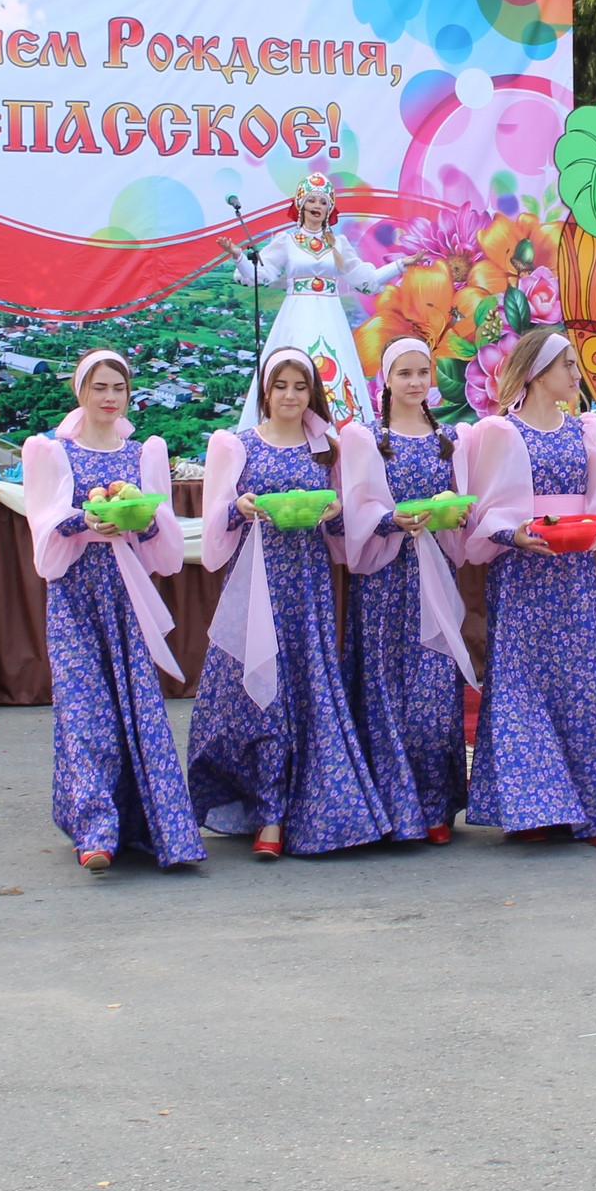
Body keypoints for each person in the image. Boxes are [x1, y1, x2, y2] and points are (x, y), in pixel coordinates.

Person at [189, 348, 391, 857]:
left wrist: (333, 511)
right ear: (265, 391)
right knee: (247, 694)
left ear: (312, 394)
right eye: (280, 386)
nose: (290, 396)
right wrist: (238, 508)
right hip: (254, 583)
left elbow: (347, 525)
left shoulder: (327, 449)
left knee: (302, 692)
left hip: (307, 587)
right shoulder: (236, 445)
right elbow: (214, 527)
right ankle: (257, 801)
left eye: (300, 387)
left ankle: (280, 816)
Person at [18, 351, 205, 872]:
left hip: (127, 597)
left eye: (117, 388)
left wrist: (137, 521)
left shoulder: (142, 453)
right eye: (98, 387)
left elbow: (161, 537)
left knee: (136, 706)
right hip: (77, 597)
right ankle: (95, 828)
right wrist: (85, 521)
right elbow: (45, 527)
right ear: (81, 392)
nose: (108, 397)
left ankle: (148, 823)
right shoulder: (55, 453)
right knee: (85, 712)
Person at [454, 326, 596, 841]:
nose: (576, 376)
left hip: (573, 574)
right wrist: (514, 535)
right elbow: (484, 514)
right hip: (521, 575)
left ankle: (584, 798)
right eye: (569, 367)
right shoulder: (502, 433)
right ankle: (535, 806)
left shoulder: (584, 429)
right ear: (538, 373)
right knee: (522, 682)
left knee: (579, 682)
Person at [336, 337, 472, 844]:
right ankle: (394, 806)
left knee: (435, 691)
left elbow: (463, 506)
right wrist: (393, 518)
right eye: (405, 374)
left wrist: (456, 512)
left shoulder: (452, 438)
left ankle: (435, 804)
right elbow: (358, 507)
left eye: (423, 373)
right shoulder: (367, 439)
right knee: (385, 689)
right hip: (386, 582)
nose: (416, 383)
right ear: (387, 381)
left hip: (435, 574)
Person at [222, 173, 411, 428]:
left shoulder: (339, 244)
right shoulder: (287, 242)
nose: (317, 207)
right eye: (311, 200)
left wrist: (399, 266)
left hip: (330, 317)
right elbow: (262, 275)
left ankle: (338, 434)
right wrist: (238, 257)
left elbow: (364, 279)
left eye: (323, 202)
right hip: (296, 314)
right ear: (301, 205)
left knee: (333, 369)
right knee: (294, 364)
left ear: (329, 208)